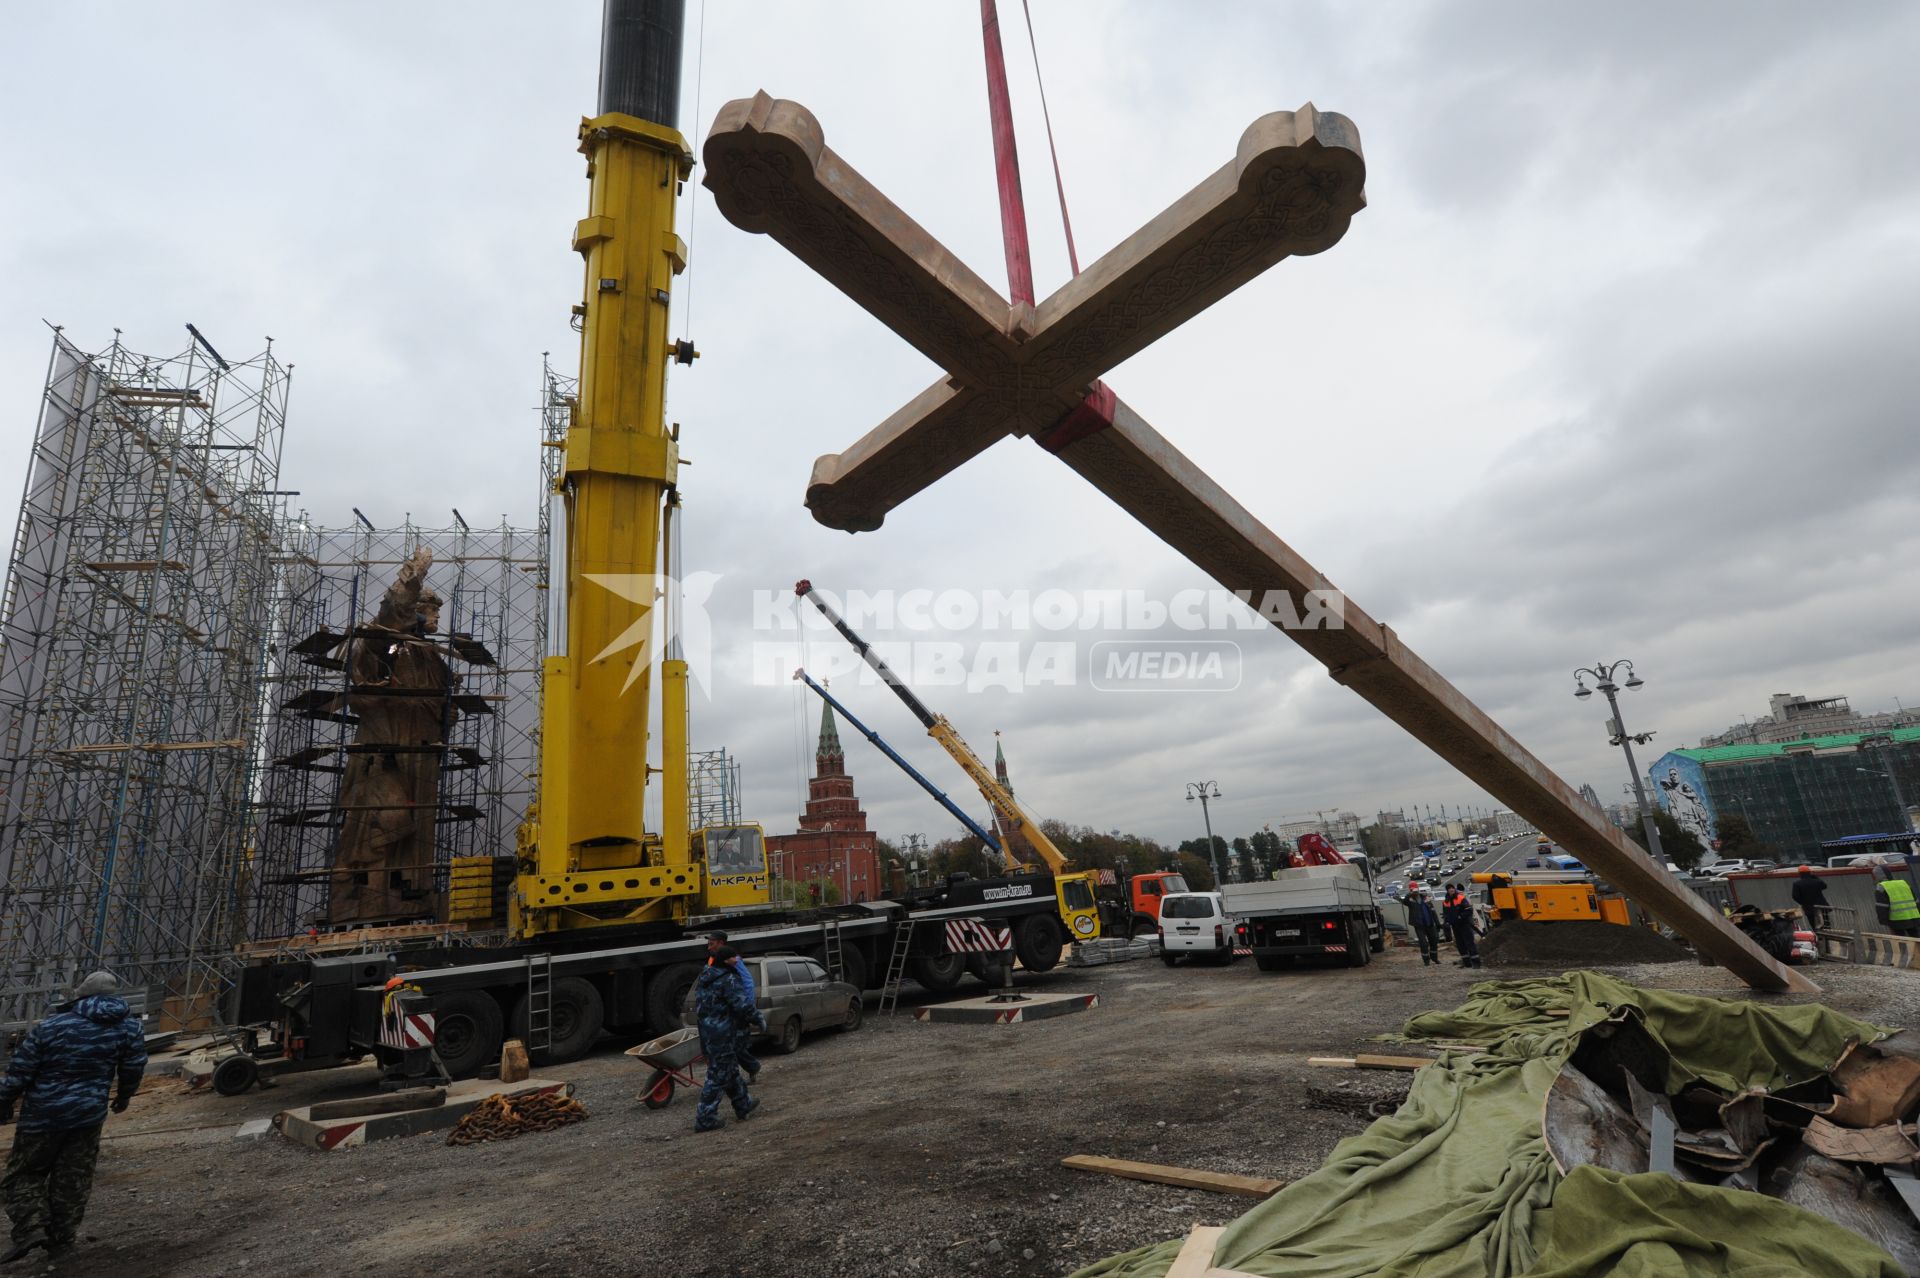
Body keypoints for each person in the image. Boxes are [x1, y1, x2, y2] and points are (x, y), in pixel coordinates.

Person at [0, 971, 146, 1262]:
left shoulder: (53, 1026)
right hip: (88, 1117)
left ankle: (31, 1227)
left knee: (22, 1175)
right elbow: (134, 1066)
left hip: (43, 1116)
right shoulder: (128, 1027)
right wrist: (124, 1096)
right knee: (72, 1181)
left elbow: (20, 1070)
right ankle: (61, 1243)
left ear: (82, 995)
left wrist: (4, 1100)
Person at [692, 946, 759, 1133]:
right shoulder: (727, 979)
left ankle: (743, 1103)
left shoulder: (706, 979)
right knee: (717, 1075)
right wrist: (757, 1018)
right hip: (723, 1033)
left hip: (709, 1033)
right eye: (732, 958)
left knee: (729, 1070)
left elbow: (700, 1011)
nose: (736, 960)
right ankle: (705, 1118)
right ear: (725, 960)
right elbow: (741, 1005)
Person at [705, 932, 763, 1083]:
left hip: (737, 1010)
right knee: (726, 1046)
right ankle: (733, 1079)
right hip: (724, 1012)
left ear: (721, 943)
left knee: (736, 1045)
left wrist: (747, 1007)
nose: (709, 946)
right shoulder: (713, 960)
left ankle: (751, 1068)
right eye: (709, 943)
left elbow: (748, 982)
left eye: (712, 943)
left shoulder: (733, 959)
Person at [1873, 868, 1920, 938]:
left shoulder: (1881, 886)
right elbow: (1916, 901)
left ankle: (1905, 949)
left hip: (1897, 920)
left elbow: (1882, 907)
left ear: (1878, 875)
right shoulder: (1903, 883)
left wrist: (1883, 921)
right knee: (1916, 938)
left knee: (1900, 942)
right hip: (1914, 917)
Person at [1443, 884, 1482, 969]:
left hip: (1464, 924)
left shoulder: (1460, 898)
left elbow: (1469, 910)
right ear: (1447, 891)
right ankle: (1467, 963)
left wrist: (1460, 916)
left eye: (1452, 888)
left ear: (1454, 889)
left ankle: (1476, 963)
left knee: (1469, 943)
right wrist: (1446, 922)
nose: (1451, 890)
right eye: (1449, 889)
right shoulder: (1446, 902)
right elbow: (1446, 914)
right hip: (1455, 926)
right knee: (1460, 944)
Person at [1405, 884, 1442, 966]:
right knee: (1423, 943)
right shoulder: (1410, 900)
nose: (1414, 891)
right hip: (1419, 925)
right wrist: (1410, 893)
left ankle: (1434, 958)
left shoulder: (1425, 898)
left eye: (1415, 889)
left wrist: (1437, 923)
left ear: (1418, 889)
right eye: (1412, 889)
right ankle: (1426, 960)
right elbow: (1405, 901)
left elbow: (1433, 911)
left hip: (1429, 924)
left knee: (1434, 941)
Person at [1790, 865, 1831, 932]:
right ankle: (1828, 936)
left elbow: (1795, 896)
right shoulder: (1816, 881)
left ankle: (1818, 937)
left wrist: (1803, 903)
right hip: (1822, 906)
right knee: (1826, 924)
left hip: (1809, 907)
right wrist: (1815, 877)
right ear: (1809, 872)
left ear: (1800, 874)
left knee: (1814, 924)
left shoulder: (1797, 884)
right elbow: (1824, 886)